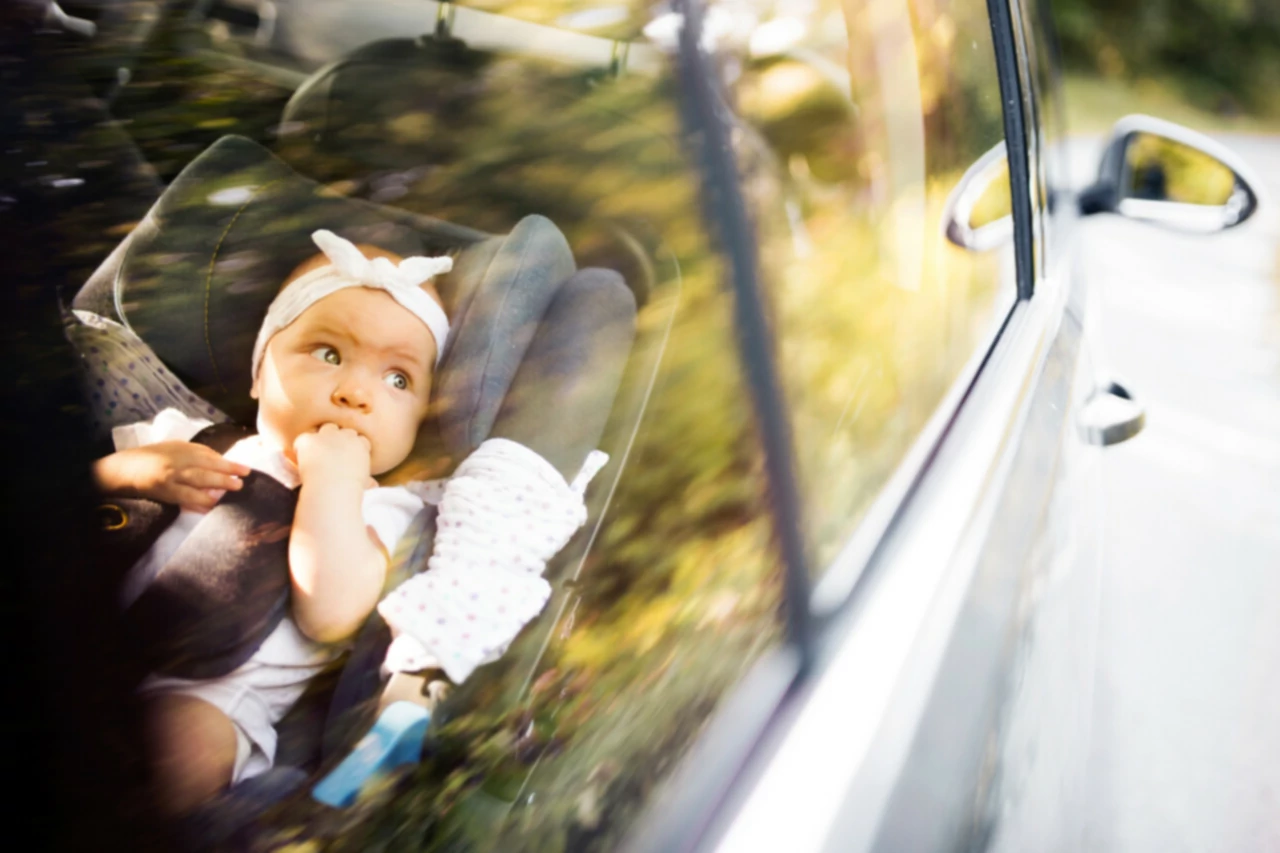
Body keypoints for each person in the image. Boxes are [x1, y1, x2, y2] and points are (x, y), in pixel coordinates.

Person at [91, 229, 452, 814]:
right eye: (329, 354)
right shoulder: (184, 433)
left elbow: (330, 613)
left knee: (181, 746)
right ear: (261, 373)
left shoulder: (385, 508)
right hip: (89, 638)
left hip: (209, 696)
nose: (357, 392)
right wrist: (131, 470)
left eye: (398, 379)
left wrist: (333, 481)